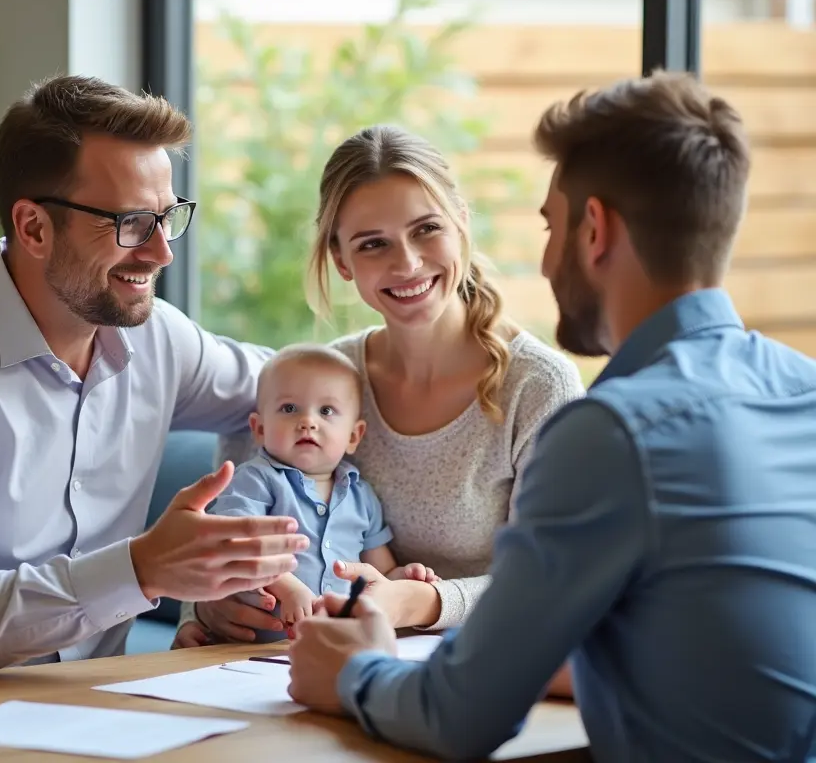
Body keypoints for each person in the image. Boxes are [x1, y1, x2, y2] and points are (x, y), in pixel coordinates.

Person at [286, 70, 816, 762]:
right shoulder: (802, 389)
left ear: (593, 230)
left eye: (550, 224)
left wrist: (349, 673)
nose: (542, 257)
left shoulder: (610, 434)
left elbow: (460, 717)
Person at [0, 76, 309, 691]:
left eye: (168, 218)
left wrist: (226, 576)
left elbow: (299, 395)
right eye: (131, 223)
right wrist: (145, 569)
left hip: (88, 715)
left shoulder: (158, 338)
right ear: (33, 227)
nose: (161, 253)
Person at [174, 124, 585, 663]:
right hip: (303, 668)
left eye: (427, 229)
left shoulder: (537, 387)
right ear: (342, 261)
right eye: (373, 244)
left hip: (478, 671)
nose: (407, 263)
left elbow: (551, 581)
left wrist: (417, 601)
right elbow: (220, 536)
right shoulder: (315, 384)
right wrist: (204, 610)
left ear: (462, 222)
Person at [201, 344, 438, 642]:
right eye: (289, 408)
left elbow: (380, 570)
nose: (308, 421)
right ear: (259, 429)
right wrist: (286, 586)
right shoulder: (255, 480)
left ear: (353, 436)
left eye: (326, 411)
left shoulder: (361, 496)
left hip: (335, 645)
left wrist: (402, 578)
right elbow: (233, 545)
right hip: (254, 646)